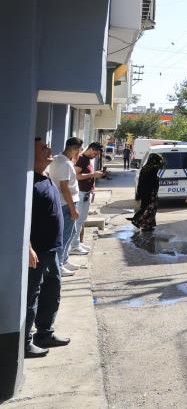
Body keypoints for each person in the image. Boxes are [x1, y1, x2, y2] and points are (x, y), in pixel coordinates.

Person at [24, 138, 69, 358]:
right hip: (38, 251)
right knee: (31, 297)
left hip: (52, 250)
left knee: (52, 292)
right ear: (30, 154)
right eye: (43, 148)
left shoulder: (46, 176)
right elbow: (21, 219)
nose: (49, 150)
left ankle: (45, 333)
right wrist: (28, 248)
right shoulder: (29, 183)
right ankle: (23, 343)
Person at [47, 137, 82, 274]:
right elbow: (65, 187)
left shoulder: (58, 158)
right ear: (74, 149)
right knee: (65, 235)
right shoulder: (65, 164)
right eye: (78, 150)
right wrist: (73, 209)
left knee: (71, 232)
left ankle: (64, 260)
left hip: (63, 202)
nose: (79, 153)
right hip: (67, 203)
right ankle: (59, 264)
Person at [72, 142, 106, 255]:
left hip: (86, 193)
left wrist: (92, 188)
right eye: (96, 153)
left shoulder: (87, 159)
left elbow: (89, 175)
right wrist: (93, 175)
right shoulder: (81, 158)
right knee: (79, 220)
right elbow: (76, 176)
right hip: (81, 193)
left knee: (81, 220)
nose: (96, 156)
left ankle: (77, 243)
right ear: (91, 149)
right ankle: (74, 246)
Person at [132, 154, 162, 232]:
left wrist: (139, 193)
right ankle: (142, 223)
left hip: (144, 192)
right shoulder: (153, 168)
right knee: (150, 209)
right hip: (150, 193)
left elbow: (140, 182)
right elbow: (162, 165)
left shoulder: (145, 168)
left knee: (146, 208)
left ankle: (148, 224)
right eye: (158, 160)